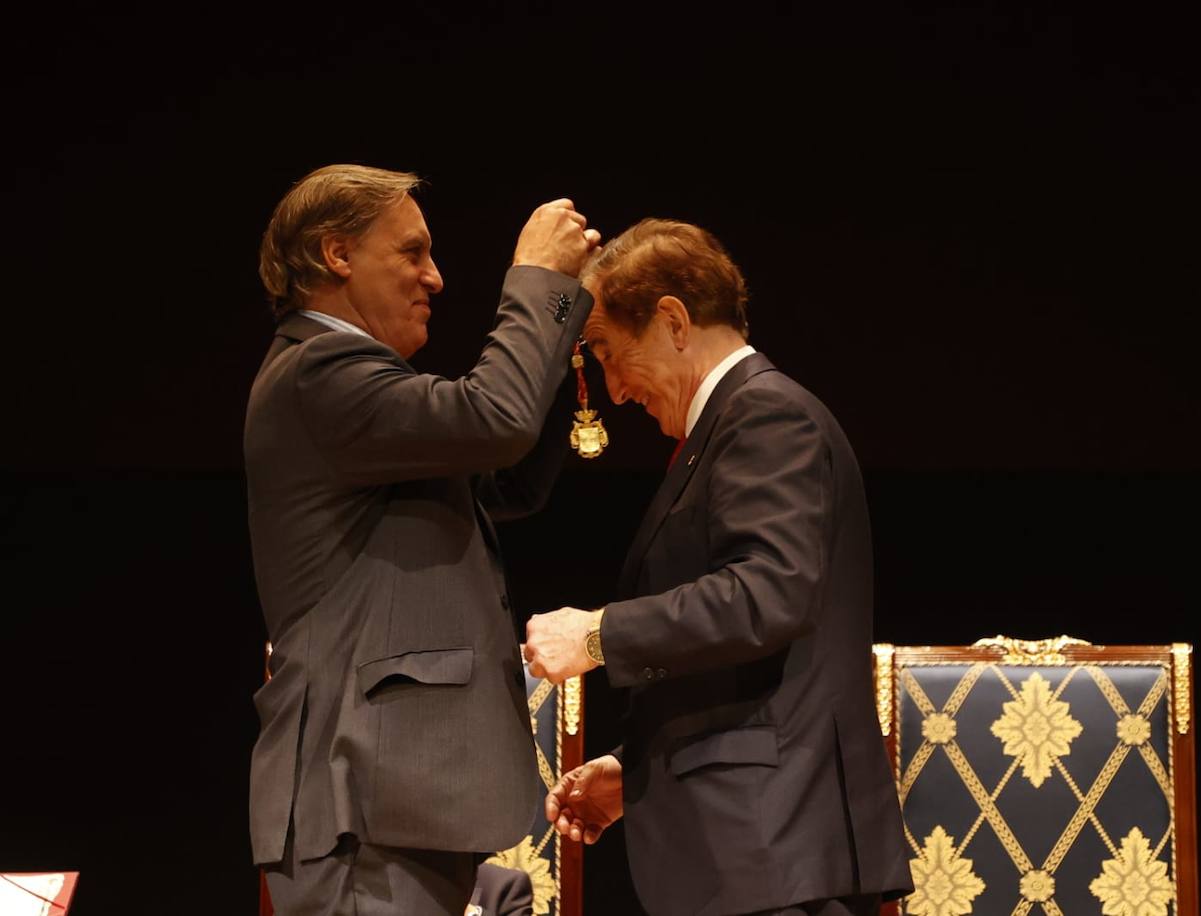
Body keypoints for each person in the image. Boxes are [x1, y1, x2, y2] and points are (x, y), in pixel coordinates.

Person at [522, 219, 912, 915]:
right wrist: (642, 771)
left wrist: (595, 636)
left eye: (610, 352)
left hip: (771, 847)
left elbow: (767, 595)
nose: (613, 389)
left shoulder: (764, 415)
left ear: (672, 320)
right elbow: (754, 668)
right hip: (753, 847)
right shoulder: (735, 421)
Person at [246, 163, 598, 915]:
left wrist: (566, 318)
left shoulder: (350, 390)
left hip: (392, 801)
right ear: (337, 254)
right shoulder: (318, 368)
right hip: (361, 799)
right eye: (412, 252)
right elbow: (493, 420)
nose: (435, 278)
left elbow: (506, 480)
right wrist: (538, 279)